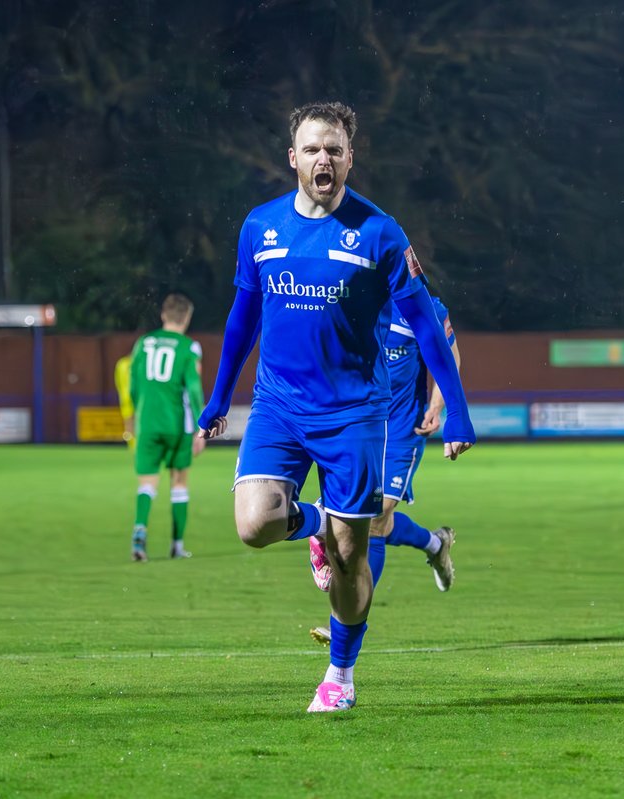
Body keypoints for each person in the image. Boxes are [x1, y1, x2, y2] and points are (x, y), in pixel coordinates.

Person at [196, 101, 476, 712]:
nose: (323, 159)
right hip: (278, 405)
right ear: (292, 158)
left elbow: (427, 327)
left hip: (354, 415)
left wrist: (456, 408)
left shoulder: (380, 232)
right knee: (254, 525)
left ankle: (340, 675)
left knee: (352, 559)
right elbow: (243, 318)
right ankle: (321, 522)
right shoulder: (260, 227)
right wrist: (219, 397)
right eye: (312, 149)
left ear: (351, 158)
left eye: (334, 149)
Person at [308, 295, 463, 646]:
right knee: (375, 521)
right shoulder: (347, 294)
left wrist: (437, 406)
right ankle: (435, 543)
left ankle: (344, 620)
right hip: (358, 424)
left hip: (402, 430)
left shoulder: (424, 305)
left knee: (377, 519)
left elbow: (448, 356)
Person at [128, 293, 206, 561]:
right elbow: (193, 389)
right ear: (187, 317)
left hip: (148, 423)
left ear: (163, 315)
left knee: (147, 483)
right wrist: (201, 427)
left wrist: (138, 414)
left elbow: (133, 386)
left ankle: (139, 534)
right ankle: (177, 545)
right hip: (177, 425)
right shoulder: (189, 347)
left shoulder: (143, 343)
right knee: (179, 482)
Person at [114, 353, 136, 449]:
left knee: (129, 421)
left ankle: (131, 444)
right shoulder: (137, 362)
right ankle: (135, 444)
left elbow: (117, 381)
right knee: (136, 421)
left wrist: (121, 393)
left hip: (125, 397)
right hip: (137, 396)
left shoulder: (121, 363)